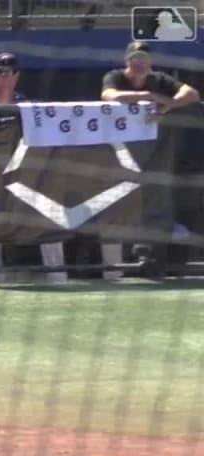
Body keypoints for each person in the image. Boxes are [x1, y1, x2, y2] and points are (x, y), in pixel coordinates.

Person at [101, 41, 200, 279]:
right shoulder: (115, 76)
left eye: (143, 59)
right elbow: (109, 96)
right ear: (127, 61)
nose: (139, 64)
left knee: (155, 198)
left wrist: (169, 104)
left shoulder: (160, 79)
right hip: (118, 154)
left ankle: (151, 261)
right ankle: (112, 272)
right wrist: (147, 96)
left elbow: (192, 94)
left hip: (153, 157)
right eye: (135, 59)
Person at [0, 52, 68, 283]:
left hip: (25, 181)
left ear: (17, 76)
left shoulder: (27, 105)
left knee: (51, 215)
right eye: (1, 73)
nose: (7, 77)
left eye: (11, 72)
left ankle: (57, 277)